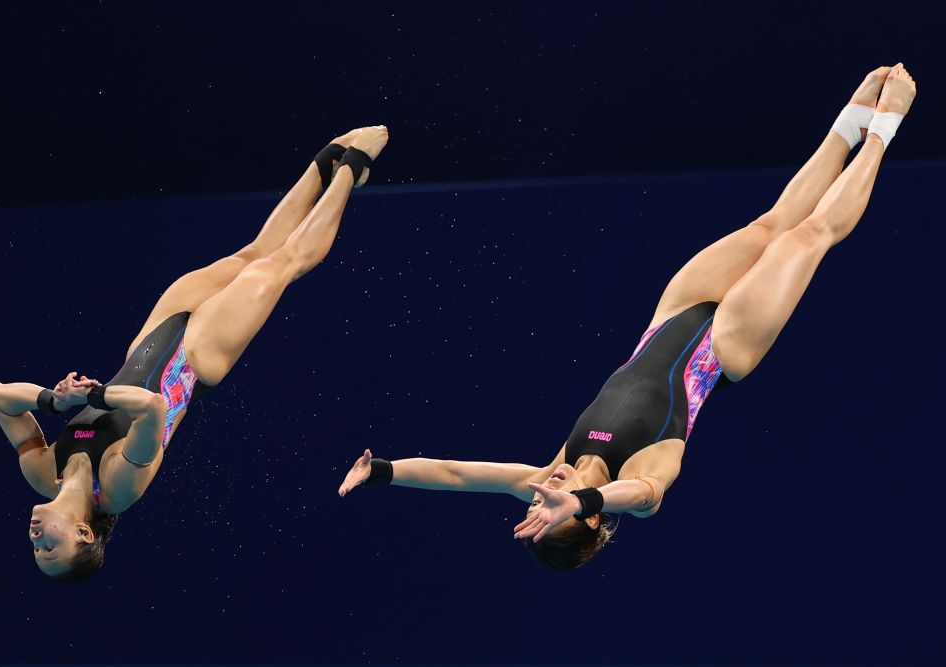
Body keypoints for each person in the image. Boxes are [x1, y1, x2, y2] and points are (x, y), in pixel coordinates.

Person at [340, 65, 916, 570]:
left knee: (770, 223)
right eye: (553, 509)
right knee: (806, 238)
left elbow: (457, 475)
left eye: (538, 504)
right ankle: (882, 134)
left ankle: (847, 125)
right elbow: (640, 496)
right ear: (589, 520)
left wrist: (383, 471)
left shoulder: (552, 468)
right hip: (726, 346)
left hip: (670, 317)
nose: (544, 494)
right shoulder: (642, 479)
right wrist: (587, 500)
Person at [0, 126, 389, 581]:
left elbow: (0, 397)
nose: (35, 539)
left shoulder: (43, 473)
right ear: (83, 533)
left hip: (145, 346)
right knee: (279, 265)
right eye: (49, 549)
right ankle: (354, 166)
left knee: (248, 255)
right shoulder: (118, 491)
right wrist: (92, 398)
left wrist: (53, 401)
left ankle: (328, 157)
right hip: (194, 361)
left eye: (35, 550)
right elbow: (152, 408)